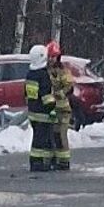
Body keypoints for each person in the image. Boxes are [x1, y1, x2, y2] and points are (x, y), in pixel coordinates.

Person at [25, 43, 57, 173]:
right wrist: (52, 108)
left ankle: (42, 162)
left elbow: (27, 93)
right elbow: (46, 96)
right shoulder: (43, 75)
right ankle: (38, 163)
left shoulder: (30, 74)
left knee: (39, 138)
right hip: (43, 114)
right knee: (41, 140)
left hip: (33, 112)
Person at [47, 40, 72, 172]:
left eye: (54, 56)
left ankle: (64, 161)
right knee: (52, 135)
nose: (51, 59)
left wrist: (60, 93)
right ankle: (55, 159)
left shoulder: (63, 71)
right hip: (51, 109)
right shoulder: (46, 71)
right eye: (50, 56)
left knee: (61, 135)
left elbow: (69, 87)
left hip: (63, 109)